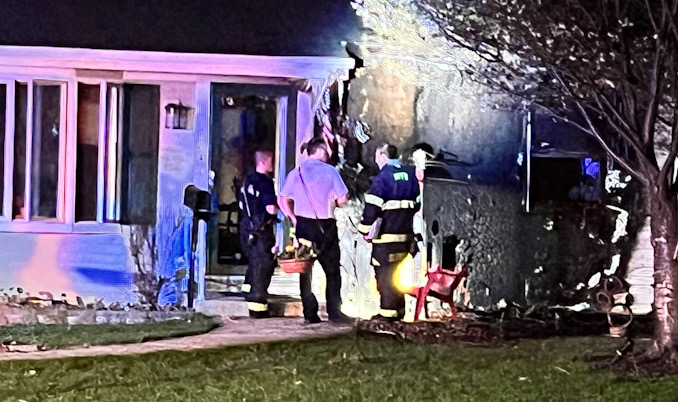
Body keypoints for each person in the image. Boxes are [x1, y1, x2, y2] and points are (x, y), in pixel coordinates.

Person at [279, 136, 353, 324]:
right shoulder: (330, 172)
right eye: (326, 150)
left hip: (304, 226)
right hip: (325, 225)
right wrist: (334, 203)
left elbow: (282, 200)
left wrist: (293, 218)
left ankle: (310, 313)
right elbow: (343, 199)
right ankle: (334, 312)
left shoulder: (297, 173)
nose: (329, 154)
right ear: (319, 150)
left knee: (305, 270)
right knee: (332, 270)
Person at [359, 143, 421, 321]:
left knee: (384, 274)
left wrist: (365, 230)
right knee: (397, 273)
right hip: (406, 236)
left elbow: (372, 206)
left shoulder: (383, 177)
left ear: (382, 156)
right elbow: (418, 203)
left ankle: (388, 313)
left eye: (377, 156)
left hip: (385, 238)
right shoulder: (410, 174)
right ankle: (400, 309)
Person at [238, 149, 278, 318]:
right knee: (264, 265)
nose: (273, 164)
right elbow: (271, 208)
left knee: (254, 263)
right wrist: (283, 207)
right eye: (270, 161)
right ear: (263, 162)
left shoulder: (247, 181)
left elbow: (241, 205)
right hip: (261, 228)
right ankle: (258, 307)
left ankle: (247, 290)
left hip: (247, 226)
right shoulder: (265, 183)